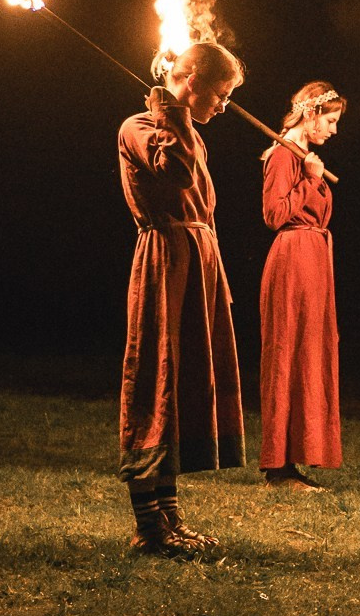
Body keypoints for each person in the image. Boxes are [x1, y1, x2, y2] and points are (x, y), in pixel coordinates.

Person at [117, 40, 246, 556]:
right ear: (190, 79)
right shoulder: (140, 126)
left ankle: (170, 518)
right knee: (156, 379)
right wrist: (170, 113)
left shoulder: (183, 129)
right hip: (165, 261)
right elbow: (176, 172)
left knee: (185, 382)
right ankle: (148, 528)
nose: (223, 104)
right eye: (220, 92)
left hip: (197, 263)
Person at [260, 82, 346, 489]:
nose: (333, 129)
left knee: (309, 354)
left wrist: (311, 175)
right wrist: (311, 180)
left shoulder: (303, 156)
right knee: (287, 353)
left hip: (313, 259)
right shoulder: (282, 155)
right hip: (293, 258)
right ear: (310, 115)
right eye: (329, 120)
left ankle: (295, 456)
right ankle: (277, 465)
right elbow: (275, 214)